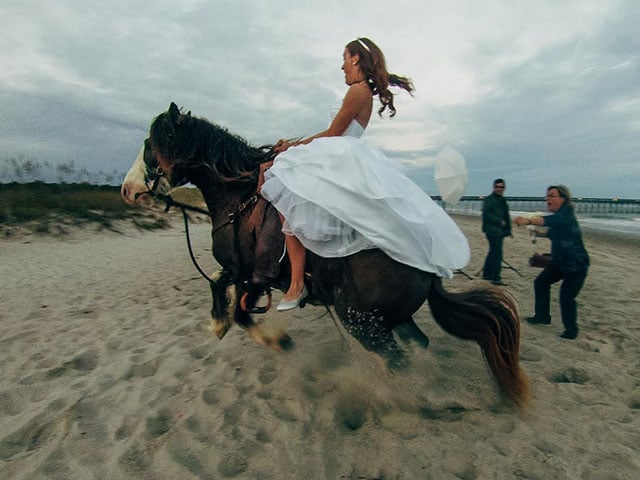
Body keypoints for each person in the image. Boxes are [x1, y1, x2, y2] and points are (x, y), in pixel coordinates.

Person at [260, 37, 470, 311]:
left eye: (344, 58)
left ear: (356, 59)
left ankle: (298, 282)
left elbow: (333, 134)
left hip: (340, 151)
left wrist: (291, 146)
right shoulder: (362, 92)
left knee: (286, 187)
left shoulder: (357, 91)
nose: (342, 66)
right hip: (343, 152)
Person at [514, 185, 589, 339]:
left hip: (576, 265)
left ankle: (571, 330)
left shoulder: (566, 216)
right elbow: (552, 232)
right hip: (560, 262)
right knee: (540, 282)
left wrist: (527, 220)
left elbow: (548, 220)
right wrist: (537, 234)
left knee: (566, 297)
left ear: (563, 198)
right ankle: (542, 317)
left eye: (553, 195)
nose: (548, 199)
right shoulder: (559, 218)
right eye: (547, 196)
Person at [481, 178, 511, 286]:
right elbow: (486, 214)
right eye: (497, 187)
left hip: (500, 231)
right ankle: (496, 277)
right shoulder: (490, 199)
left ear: (504, 188)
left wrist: (508, 229)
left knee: (493, 252)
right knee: (497, 254)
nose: (499, 189)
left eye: (501, 187)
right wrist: (498, 221)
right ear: (494, 188)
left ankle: (487, 274)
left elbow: (506, 216)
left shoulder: (502, 200)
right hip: (492, 230)